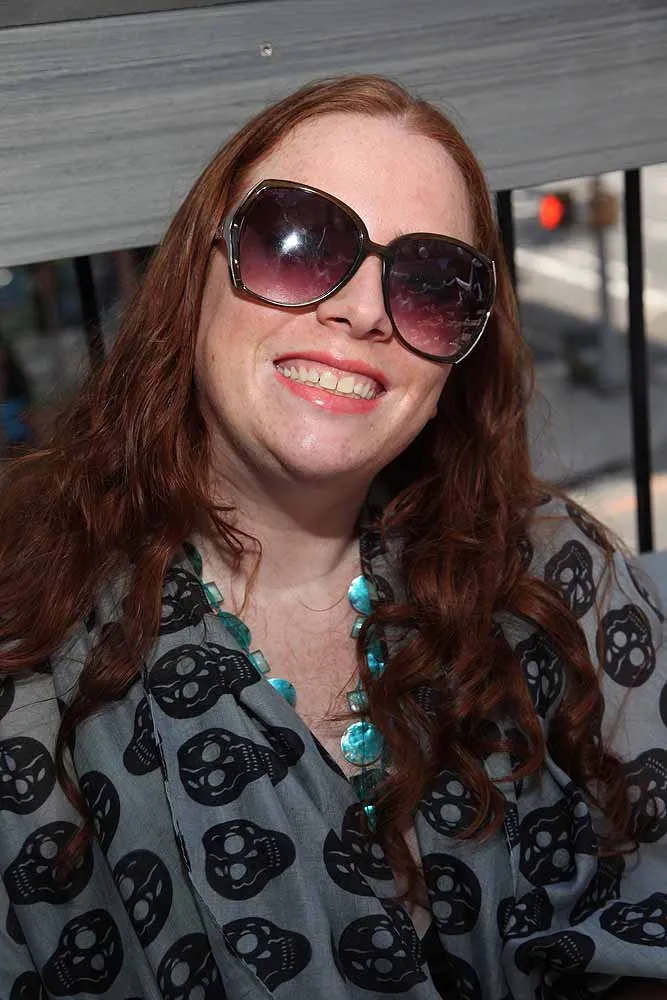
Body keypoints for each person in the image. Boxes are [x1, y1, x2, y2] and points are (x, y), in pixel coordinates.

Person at [0, 74, 666, 1000]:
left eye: (431, 284)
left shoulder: (557, 577)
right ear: (196, 273)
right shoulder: (28, 650)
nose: (361, 310)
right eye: (298, 242)